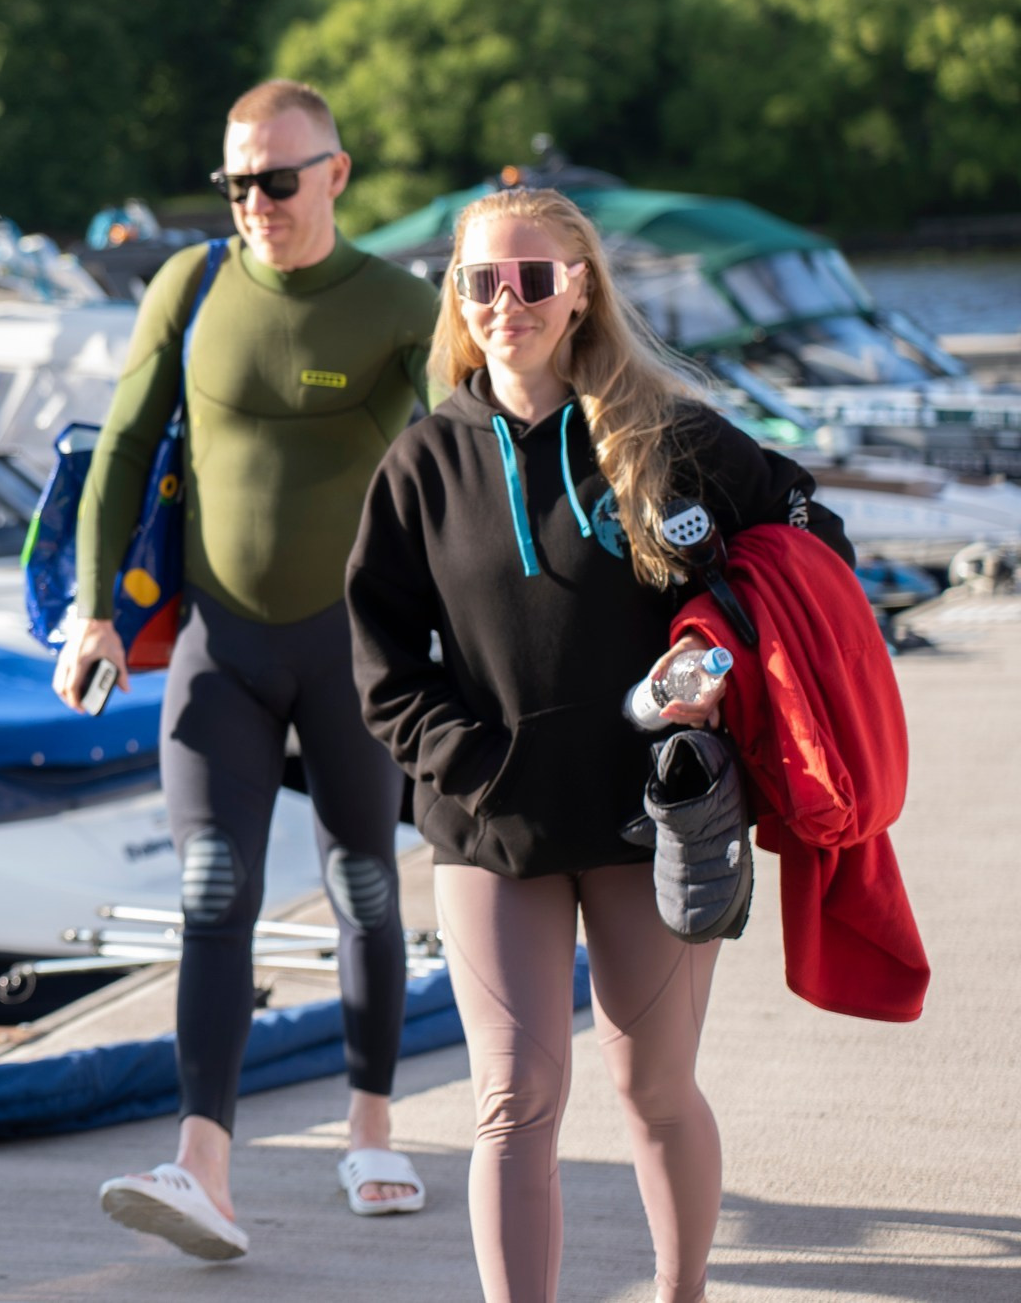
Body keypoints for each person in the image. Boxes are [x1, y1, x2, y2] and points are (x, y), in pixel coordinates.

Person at [345, 188, 848, 1303]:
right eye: (481, 280)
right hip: (489, 825)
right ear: (457, 294)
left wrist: (719, 661)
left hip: (652, 818)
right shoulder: (423, 464)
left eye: (531, 278)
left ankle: (681, 1295)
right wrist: (479, 766)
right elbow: (381, 665)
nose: (504, 302)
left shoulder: (668, 436)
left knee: (654, 1090)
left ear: (580, 288)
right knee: (514, 1099)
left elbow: (809, 539)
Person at [57, 80, 440, 1259]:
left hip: (349, 652)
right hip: (222, 644)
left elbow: (467, 463)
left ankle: (370, 1126)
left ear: (334, 173)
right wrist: (95, 613)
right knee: (212, 888)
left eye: (277, 180)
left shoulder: (393, 304)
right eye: (234, 184)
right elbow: (120, 448)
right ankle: (202, 1167)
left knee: (365, 886)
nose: (254, 203)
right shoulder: (192, 283)